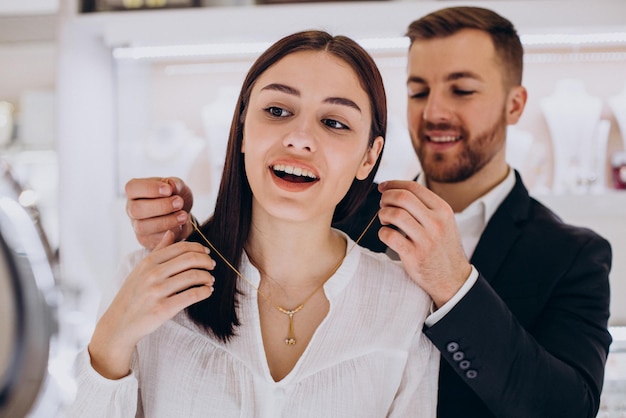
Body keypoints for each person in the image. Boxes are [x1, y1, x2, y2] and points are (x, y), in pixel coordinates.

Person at [124, 6, 614, 418]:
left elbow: (568, 408)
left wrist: (454, 285)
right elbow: (272, 223)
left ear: (515, 104)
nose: (435, 111)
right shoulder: (345, 208)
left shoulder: (575, 256)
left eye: (462, 90)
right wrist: (192, 225)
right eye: (419, 90)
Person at [67, 30, 440, 417]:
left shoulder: (405, 301)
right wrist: (111, 339)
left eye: (334, 122)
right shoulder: (149, 279)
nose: (299, 138)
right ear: (242, 128)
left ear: (369, 156)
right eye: (277, 111)